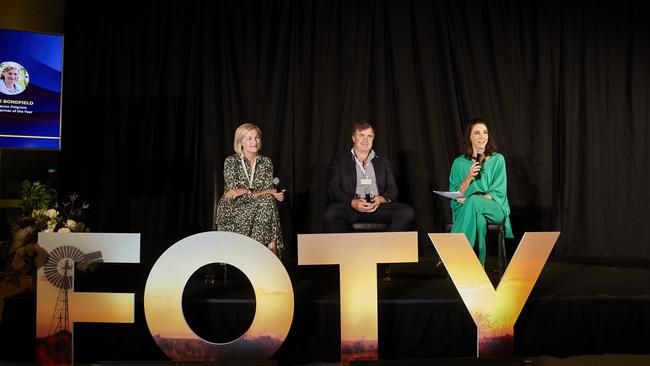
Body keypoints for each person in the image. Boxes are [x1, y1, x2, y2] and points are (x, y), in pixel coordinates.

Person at [324, 120, 414, 232]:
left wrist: (380, 199)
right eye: (361, 135)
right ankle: (346, 248)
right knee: (332, 213)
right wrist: (352, 202)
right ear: (353, 138)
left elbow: (392, 189)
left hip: (376, 207)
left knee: (406, 212)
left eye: (369, 136)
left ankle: (387, 248)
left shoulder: (383, 162)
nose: (365, 140)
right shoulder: (341, 161)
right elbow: (333, 188)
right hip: (351, 206)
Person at [449, 118, 513, 265]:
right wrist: (468, 178)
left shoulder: (498, 160)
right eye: (477, 133)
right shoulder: (459, 163)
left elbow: (499, 192)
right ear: (469, 137)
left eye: (485, 132)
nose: (482, 136)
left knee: (474, 202)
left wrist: (474, 200)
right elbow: (454, 194)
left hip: (494, 208)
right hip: (468, 209)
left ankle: (454, 251)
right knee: (479, 220)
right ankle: (479, 265)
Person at [215, 123, 285, 256]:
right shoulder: (231, 161)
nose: (255, 142)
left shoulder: (266, 162)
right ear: (240, 142)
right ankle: (271, 250)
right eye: (249, 138)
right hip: (233, 209)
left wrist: (247, 190)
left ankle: (263, 250)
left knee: (268, 202)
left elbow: (267, 191)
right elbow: (233, 194)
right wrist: (264, 192)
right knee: (268, 202)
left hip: (260, 206)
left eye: (257, 138)